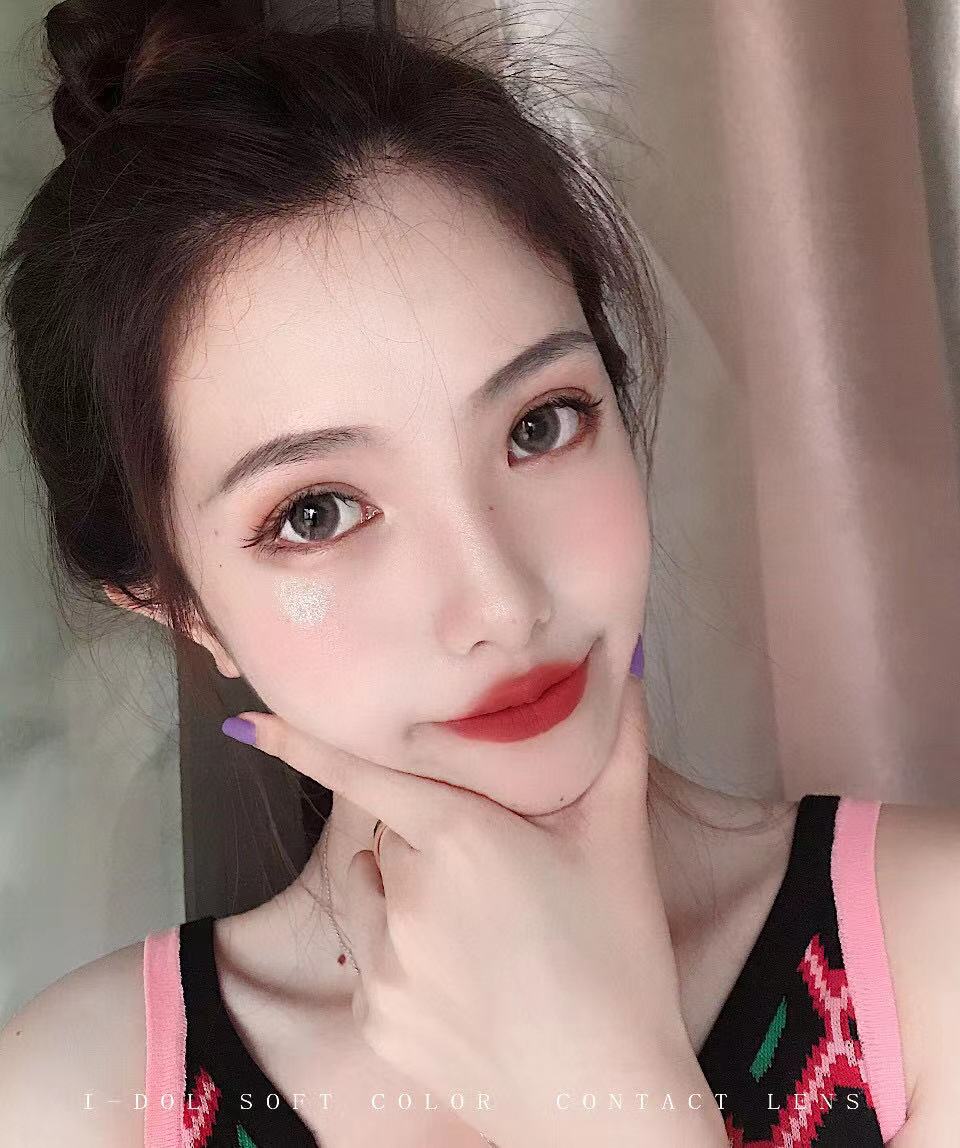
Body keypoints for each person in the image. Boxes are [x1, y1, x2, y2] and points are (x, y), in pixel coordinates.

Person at [0, 2, 956, 1145]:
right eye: (317, 511)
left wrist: (607, 1089)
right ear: (178, 603)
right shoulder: (85, 1099)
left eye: (540, 425)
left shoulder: (933, 952)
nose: (502, 602)